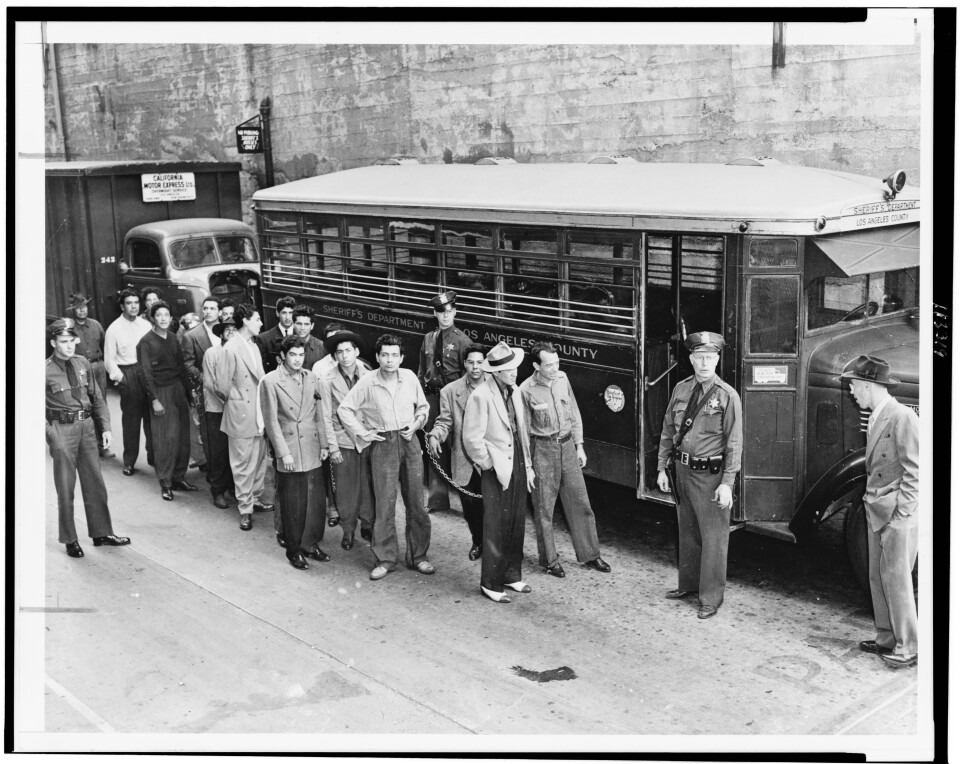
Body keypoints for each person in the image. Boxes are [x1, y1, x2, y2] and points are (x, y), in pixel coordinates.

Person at [656, 331, 743, 620]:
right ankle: (689, 585)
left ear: (717, 359)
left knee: (714, 538)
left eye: (710, 357)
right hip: (682, 470)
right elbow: (669, 429)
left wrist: (728, 484)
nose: (705, 362)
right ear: (691, 359)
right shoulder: (681, 389)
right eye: (699, 357)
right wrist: (661, 467)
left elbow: (734, 443)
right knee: (688, 531)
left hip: (711, 476)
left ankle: (710, 598)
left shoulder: (727, 396)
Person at [842, 355, 920, 669]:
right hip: (877, 510)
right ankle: (887, 637)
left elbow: (916, 471)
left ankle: (909, 647)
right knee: (878, 577)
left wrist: (901, 516)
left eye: (855, 387)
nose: (852, 393)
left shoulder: (902, 417)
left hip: (896, 514)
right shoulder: (875, 416)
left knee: (897, 580)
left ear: (870, 385)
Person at [338, 334, 433, 581]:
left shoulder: (410, 377)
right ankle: (385, 559)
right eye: (384, 355)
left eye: (394, 355)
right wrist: (363, 433)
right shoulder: (368, 382)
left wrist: (416, 424)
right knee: (385, 505)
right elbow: (344, 409)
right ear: (378, 357)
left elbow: (423, 407)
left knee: (416, 502)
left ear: (401, 358)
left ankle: (419, 556)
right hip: (383, 444)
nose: (389, 360)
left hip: (409, 440)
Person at [520, 341, 610, 578]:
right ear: (536, 365)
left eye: (557, 363)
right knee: (544, 509)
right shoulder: (526, 389)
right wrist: (528, 465)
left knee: (580, 502)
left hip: (568, 446)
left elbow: (574, 412)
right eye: (549, 365)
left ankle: (591, 554)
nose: (554, 368)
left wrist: (580, 446)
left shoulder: (562, 378)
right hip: (543, 450)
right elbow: (522, 432)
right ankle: (550, 560)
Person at [46, 319, 131, 557]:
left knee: (95, 482)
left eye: (71, 340)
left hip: (86, 427)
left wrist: (105, 427)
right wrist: (50, 432)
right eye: (63, 342)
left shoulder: (82, 362)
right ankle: (70, 538)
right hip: (62, 429)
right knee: (66, 486)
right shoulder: (44, 370)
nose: (69, 346)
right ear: (54, 343)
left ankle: (102, 532)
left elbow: (97, 398)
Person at [461, 342, 535, 603]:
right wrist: (488, 464)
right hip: (496, 465)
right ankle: (491, 583)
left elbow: (521, 432)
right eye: (507, 369)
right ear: (494, 372)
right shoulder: (481, 395)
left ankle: (512, 575)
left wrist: (527, 465)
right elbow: (471, 438)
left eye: (514, 367)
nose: (514, 372)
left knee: (516, 519)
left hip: (516, 461)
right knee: (495, 524)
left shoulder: (513, 391)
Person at [260, 335, 331, 569]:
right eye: (293, 355)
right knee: (293, 503)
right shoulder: (270, 381)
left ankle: (310, 543)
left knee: (314, 501)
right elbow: (271, 422)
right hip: (290, 448)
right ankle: (294, 549)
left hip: (311, 445)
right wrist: (283, 453)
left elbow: (319, 414)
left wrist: (323, 445)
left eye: (301, 355)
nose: (298, 359)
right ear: (283, 356)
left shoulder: (311, 378)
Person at [427, 344, 487, 561]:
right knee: (471, 506)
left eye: (480, 362)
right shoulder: (450, 391)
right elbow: (445, 421)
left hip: (490, 458)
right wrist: (435, 434)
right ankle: (478, 542)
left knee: (493, 505)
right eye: (471, 362)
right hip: (464, 458)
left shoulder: (495, 385)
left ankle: (495, 546)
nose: (475, 367)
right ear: (464, 363)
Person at [217, 304, 274, 529]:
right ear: (246, 321)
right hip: (241, 414)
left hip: (258, 412)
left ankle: (256, 498)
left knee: (260, 460)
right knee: (242, 463)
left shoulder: (253, 346)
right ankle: (245, 508)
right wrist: (238, 402)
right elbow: (221, 385)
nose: (261, 323)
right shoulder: (230, 349)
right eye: (257, 319)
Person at [318, 329, 375, 550]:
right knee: (345, 490)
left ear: (357, 351)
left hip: (367, 439)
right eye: (339, 352)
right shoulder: (327, 380)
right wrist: (333, 448)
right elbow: (325, 416)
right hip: (343, 442)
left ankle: (368, 524)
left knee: (368, 487)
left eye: (348, 350)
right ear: (335, 356)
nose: (344, 356)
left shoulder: (369, 374)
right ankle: (348, 529)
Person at [418, 290, 473, 513]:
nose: (446, 316)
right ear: (435, 314)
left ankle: (468, 501)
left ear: (455, 312)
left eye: (450, 311)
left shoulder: (462, 341)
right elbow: (422, 369)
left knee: (459, 447)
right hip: (432, 398)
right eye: (441, 312)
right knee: (434, 446)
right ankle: (438, 499)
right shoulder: (429, 339)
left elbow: (468, 375)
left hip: (454, 400)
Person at [137, 301, 197, 501]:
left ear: (171, 317)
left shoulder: (173, 338)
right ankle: (165, 482)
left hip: (178, 390)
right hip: (160, 392)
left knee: (182, 436)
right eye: (159, 315)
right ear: (152, 318)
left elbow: (181, 367)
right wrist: (154, 399)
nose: (163, 318)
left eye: (167, 314)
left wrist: (190, 392)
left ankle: (179, 477)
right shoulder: (145, 342)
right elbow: (145, 374)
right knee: (165, 439)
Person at [104, 289, 154, 475]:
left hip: (146, 371)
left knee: (151, 417)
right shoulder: (114, 329)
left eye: (136, 302)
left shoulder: (146, 325)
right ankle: (129, 461)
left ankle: (153, 456)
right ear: (122, 306)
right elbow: (109, 360)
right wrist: (121, 378)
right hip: (128, 373)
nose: (133, 306)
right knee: (132, 421)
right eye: (129, 303)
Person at [66, 292, 113, 458]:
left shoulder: (96, 325)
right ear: (73, 310)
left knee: (100, 404)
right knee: (81, 405)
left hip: (97, 366)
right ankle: (84, 446)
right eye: (78, 308)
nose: (82, 311)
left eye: (84, 307)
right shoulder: (69, 328)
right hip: (78, 369)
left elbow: (104, 345)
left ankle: (103, 445)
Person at [313, 322, 347, 527]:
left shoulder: (355, 362)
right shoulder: (320, 367)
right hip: (331, 425)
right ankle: (333, 508)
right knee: (331, 471)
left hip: (350, 428)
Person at [202, 320, 238, 508]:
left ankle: (234, 487)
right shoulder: (212, 353)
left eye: (234, 330)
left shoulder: (242, 351)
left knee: (236, 450)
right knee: (218, 451)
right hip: (217, 408)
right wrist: (226, 398)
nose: (231, 332)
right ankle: (218, 490)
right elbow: (209, 382)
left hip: (237, 410)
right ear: (221, 334)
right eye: (227, 330)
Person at [256, 295, 296, 374]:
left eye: (290, 313)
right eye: (284, 313)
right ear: (277, 313)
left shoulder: (300, 335)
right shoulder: (264, 339)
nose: (288, 317)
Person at [291, 305, 327, 369]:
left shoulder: (322, 347)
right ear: (293, 324)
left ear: (312, 326)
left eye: (306, 324)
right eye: (299, 324)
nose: (302, 328)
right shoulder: (287, 344)